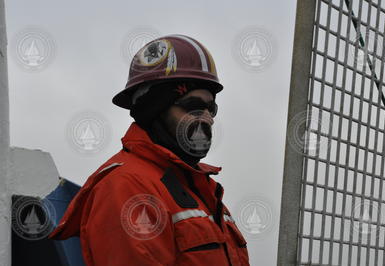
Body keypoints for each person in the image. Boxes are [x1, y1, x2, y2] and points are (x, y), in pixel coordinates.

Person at [48, 34, 250, 266]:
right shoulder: (127, 187)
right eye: (193, 106)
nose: (207, 119)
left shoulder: (202, 190)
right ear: (154, 110)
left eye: (210, 109)